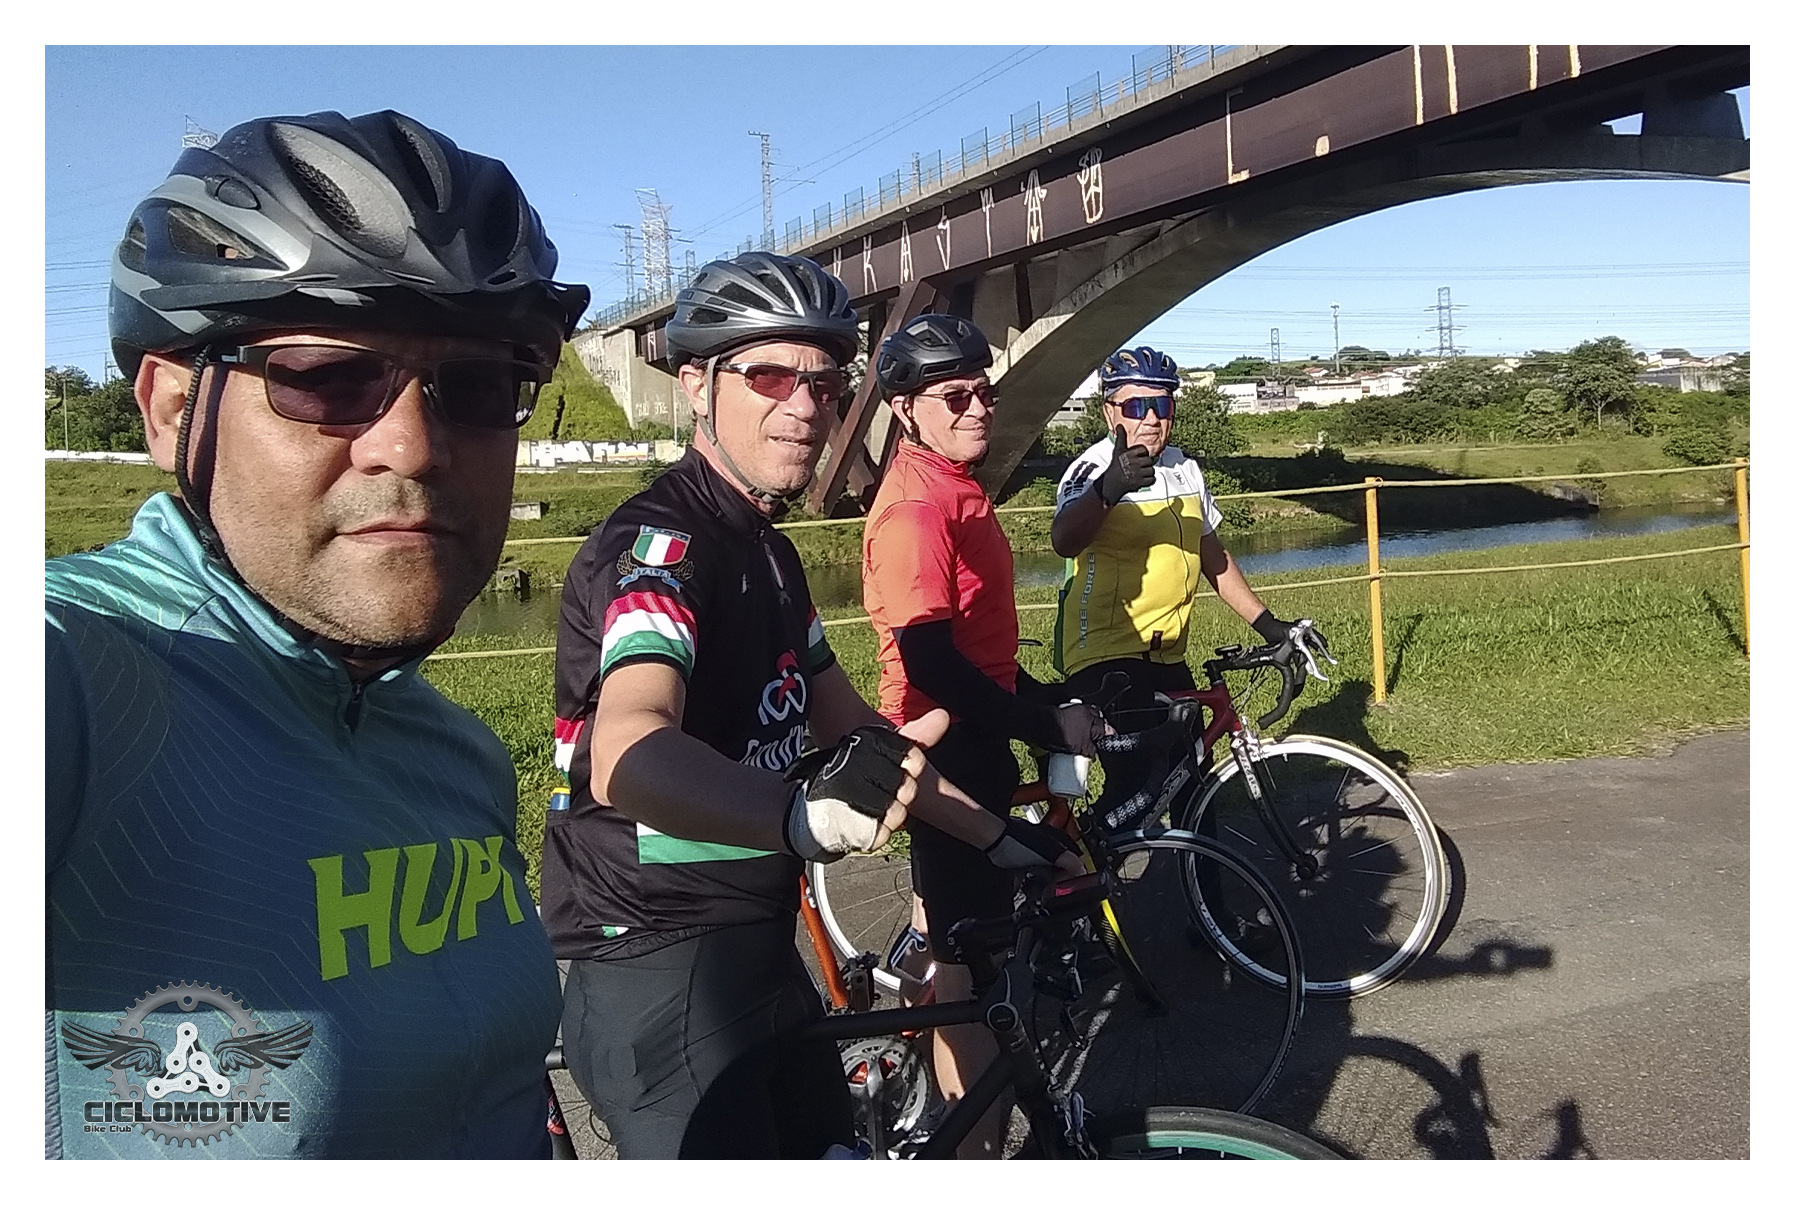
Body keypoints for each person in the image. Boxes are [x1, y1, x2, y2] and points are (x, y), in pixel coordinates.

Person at [45, 110, 589, 1158]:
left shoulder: (459, 756)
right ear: (172, 409)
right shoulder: (81, 682)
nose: (412, 445)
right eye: (327, 377)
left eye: (477, 387)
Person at [541, 254, 1077, 1160]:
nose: (803, 406)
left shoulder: (770, 553)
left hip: (755, 937)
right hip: (658, 956)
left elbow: (859, 734)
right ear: (696, 385)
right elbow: (626, 746)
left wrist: (997, 838)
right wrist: (795, 814)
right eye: (768, 376)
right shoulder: (661, 549)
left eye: (824, 384)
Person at [860, 313, 1102, 1157]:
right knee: (973, 973)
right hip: (950, 745)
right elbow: (931, 663)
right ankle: (970, 1152)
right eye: (955, 397)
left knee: (958, 935)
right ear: (904, 409)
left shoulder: (954, 485)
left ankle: (909, 1060)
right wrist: (1040, 720)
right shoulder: (916, 508)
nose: (978, 409)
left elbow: (979, 651)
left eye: (984, 392)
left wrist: (1045, 701)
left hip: (977, 728)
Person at [1051, 345, 1325, 715]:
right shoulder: (1091, 469)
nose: (1151, 419)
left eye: (1162, 406)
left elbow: (1214, 557)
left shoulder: (1185, 469)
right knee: (1146, 752)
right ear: (1108, 412)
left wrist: (1267, 624)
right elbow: (1064, 540)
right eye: (1136, 407)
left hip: (1168, 654)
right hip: (1104, 655)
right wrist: (1108, 489)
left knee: (1193, 750)